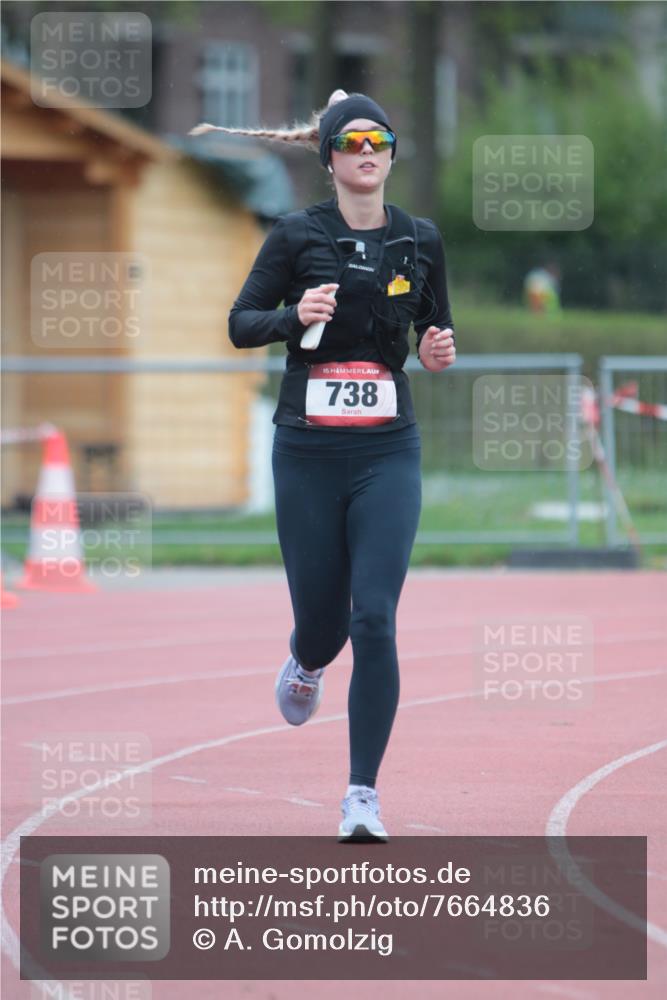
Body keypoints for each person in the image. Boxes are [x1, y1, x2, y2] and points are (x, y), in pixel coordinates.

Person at [194, 89, 456, 841]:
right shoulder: (293, 234)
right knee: (323, 624)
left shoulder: (419, 239)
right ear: (330, 158)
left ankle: (361, 796)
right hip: (307, 449)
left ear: (392, 154)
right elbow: (241, 324)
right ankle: (306, 661)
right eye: (350, 143)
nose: (365, 153)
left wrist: (438, 352)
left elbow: (436, 332)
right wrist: (292, 317)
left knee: (373, 616)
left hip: (386, 448)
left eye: (379, 141)